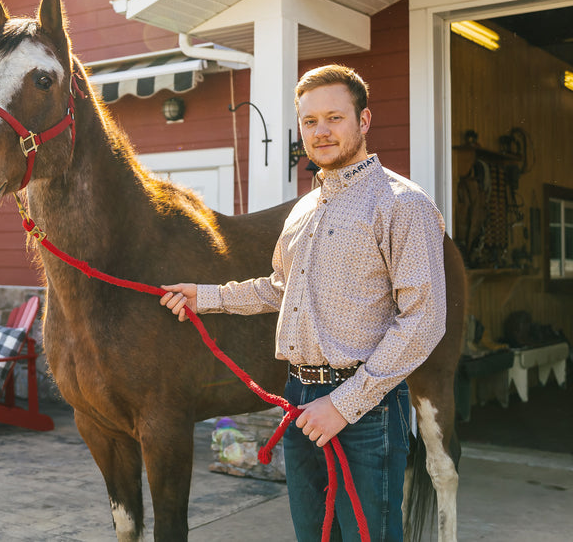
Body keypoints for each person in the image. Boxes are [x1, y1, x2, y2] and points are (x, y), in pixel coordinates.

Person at [159, 64, 446, 542]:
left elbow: (424, 320)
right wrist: (204, 296)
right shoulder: (303, 210)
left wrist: (343, 405)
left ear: (365, 121)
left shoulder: (402, 204)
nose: (322, 131)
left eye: (334, 117)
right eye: (310, 122)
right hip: (299, 402)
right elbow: (279, 287)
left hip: (366, 410)